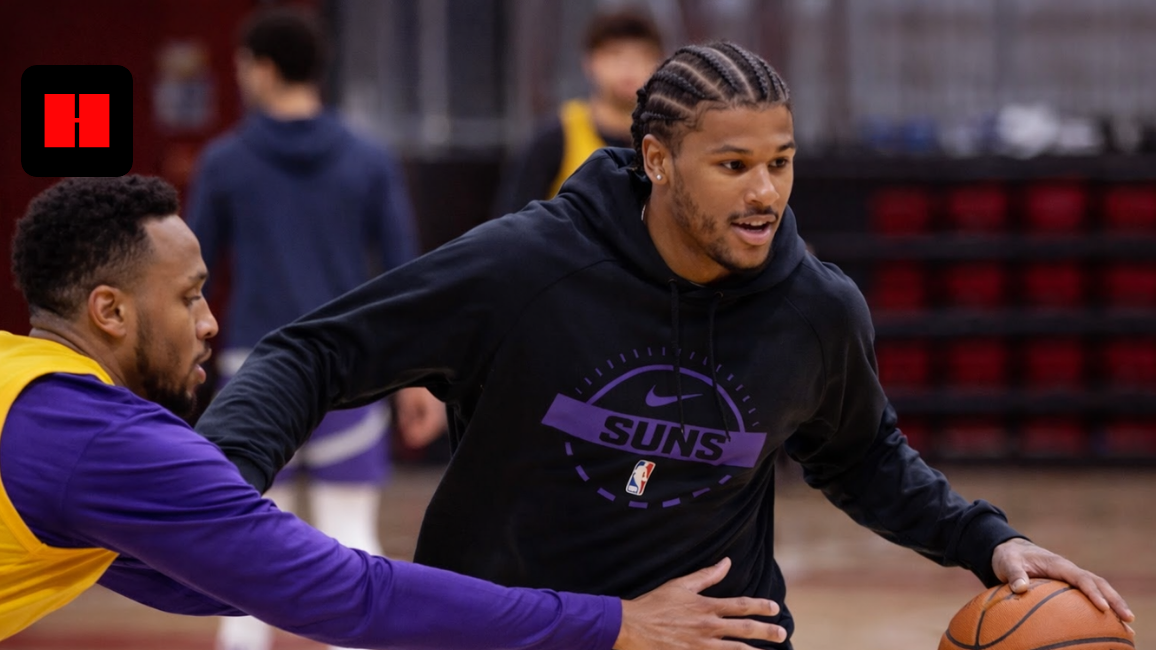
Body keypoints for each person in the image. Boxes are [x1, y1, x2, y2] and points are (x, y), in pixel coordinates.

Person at [197, 42, 1136, 649]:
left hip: (722, 637)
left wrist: (990, 542)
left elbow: (865, 456)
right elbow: (309, 352)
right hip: (514, 629)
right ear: (656, 160)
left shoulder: (816, 309)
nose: (766, 191)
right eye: (733, 166)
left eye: (781, 161)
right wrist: (217, 482)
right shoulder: (525, 268)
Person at [0, 175, 784, 650]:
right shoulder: (101, 446)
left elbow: (194, 582)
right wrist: (613, 622)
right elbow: (350, 595)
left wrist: (506, 595)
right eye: (190, 296)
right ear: (109, 312)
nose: (210, 320)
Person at [186, 9, 445, 648]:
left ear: (265, 69)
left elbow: (187, 275)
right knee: (350, 540)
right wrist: (422, 377)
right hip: (347, 373)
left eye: (245, 64)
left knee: (242, 557)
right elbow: (409, 274)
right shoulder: (369, 157)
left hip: (251, 372)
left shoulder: (225, 161)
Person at [493, 7, 664, 216]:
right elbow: (511, 222)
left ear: (659, 64)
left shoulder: (668, 138)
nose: (628, 67)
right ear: (590, 62)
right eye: (615, 54)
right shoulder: (554, 138)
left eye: (642, 56)